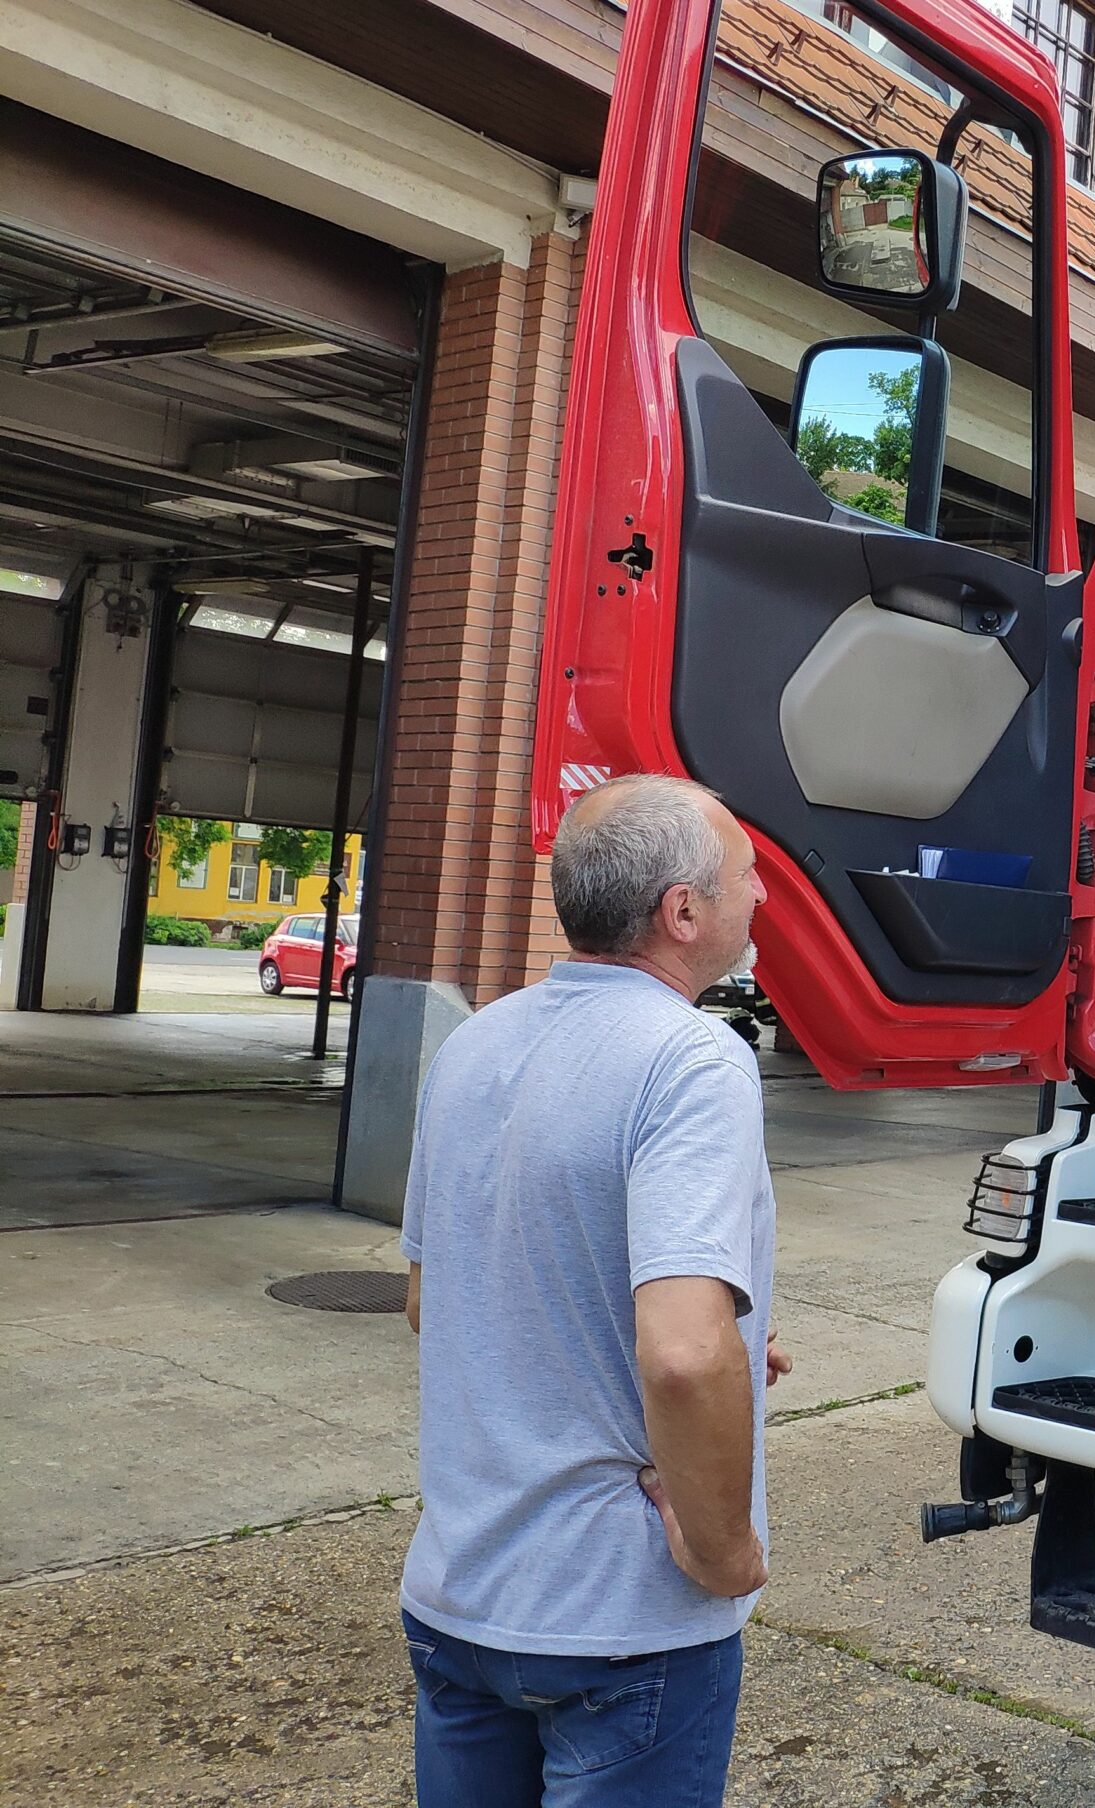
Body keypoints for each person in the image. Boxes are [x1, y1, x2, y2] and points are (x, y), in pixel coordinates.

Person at [398, 773, 785, 1807]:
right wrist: (726, 1551)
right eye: (748, 878)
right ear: (684, 910)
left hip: (458, 1599)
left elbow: (441, 1301)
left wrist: (736, 1352)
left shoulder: (474, 1041)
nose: (763, 901)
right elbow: (684, 1352)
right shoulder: (693, 1058)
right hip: (619, 1624)